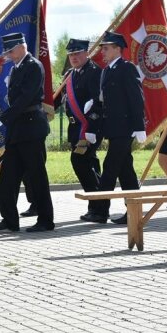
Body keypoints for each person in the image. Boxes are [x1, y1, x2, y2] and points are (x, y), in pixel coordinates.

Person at [0, 32, 54, 233]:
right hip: (17, 129)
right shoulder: (16, 69)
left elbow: (25, 99)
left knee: (36, 176)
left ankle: (45, 219)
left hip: (31, 127)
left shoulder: (33, 66)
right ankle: (9, 219)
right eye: (7, 51)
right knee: (9, 177)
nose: (8, 55)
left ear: (21, 47)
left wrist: (1, 119)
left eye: (10, 51)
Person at [80, 31, 146, 225]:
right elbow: (103, 101)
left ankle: (100, 211)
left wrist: (139, 125)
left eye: (106, 48)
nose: (103, 52)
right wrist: (93, 123)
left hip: (125, 128)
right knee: (126, 171)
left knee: (110, 168)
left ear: (118, 49)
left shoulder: (127, 68)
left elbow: (136, 98)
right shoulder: (107, 70)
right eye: (102, 49)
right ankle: (134, 211)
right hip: (112, 128)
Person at [58, 38, 103, 217]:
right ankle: (96, 207)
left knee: (79, 161)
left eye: (77, 53)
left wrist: (92, 127)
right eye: (71, 54)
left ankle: (99, 200)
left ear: (86, 53)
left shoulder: (94, 72)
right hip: (75, 128)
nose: (74, 57)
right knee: (90, 163)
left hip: (89, 127)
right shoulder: (71, 74)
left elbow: (99, 102)